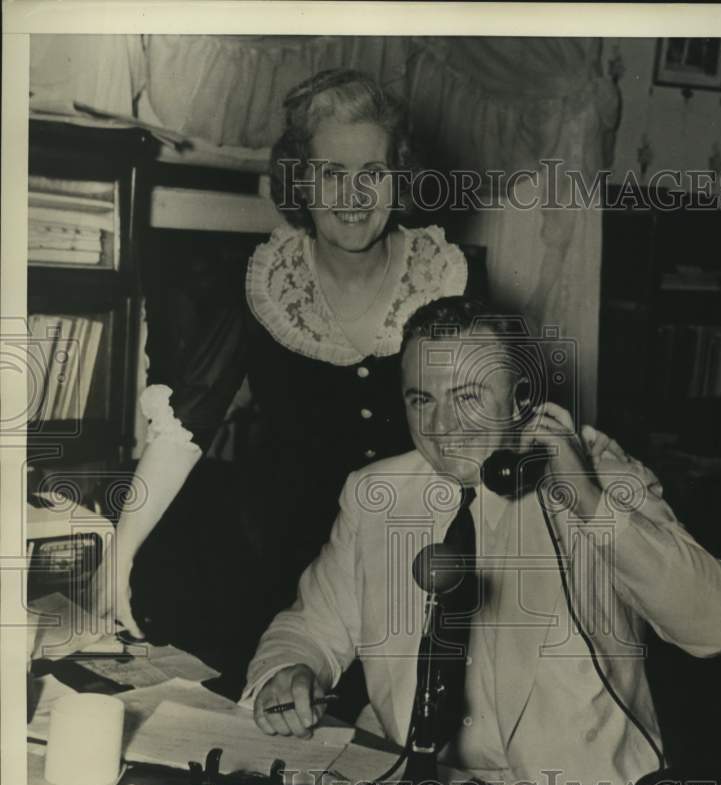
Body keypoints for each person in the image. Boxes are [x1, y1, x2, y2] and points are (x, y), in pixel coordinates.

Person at [242, 295, 721, 785]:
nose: (441, 427)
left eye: (468, 397)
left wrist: (590, 504)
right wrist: (289, 670)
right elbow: (311, 626)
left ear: (525, 401)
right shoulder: (375, 494)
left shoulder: (601, 482)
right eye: (420, 399)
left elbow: (717, 625)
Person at [102, 69, 469, 681]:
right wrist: (118, 556)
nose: (353, 198)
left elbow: (487, 431)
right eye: (332, 174)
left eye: (372, 174)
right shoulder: (262, 280)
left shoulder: (446, 278)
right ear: (301, 178)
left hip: (415, 556)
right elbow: (182, 430)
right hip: (278, 568)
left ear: (399, 176)